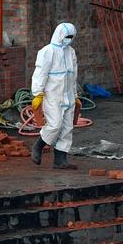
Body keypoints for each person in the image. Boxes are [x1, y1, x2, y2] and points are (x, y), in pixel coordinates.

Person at [30, 22, 79, 170]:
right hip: (53, 96)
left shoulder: (71, 52)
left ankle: (60, 160)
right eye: (67, 36)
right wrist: (37, 94)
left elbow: (73, 76)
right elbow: (40, 73)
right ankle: (38, 146)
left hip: (69, 96)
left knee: (67, 128)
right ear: (60, 35)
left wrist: (75, 96)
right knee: (55, 125)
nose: (69, 39)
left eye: (71, 37)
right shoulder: (47, 51)